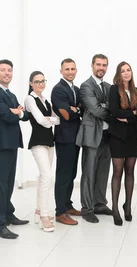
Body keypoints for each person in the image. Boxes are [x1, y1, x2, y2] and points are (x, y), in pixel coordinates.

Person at [0, 59, 30, 239]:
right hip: (2, 142)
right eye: (3, 70)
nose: (7, 73)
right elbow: (5, 116)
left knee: (9, 181)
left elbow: (24, 116)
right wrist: (14, 112)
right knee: (0, 183)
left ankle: (7, 213)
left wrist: (17, 112)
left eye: (9, 70)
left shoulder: (10, 94)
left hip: (12, 142)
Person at [76, 54, 113, 223]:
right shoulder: (86, 86)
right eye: (98, 64)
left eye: (104, 65)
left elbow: (106, 107)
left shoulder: (109, 86)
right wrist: (110, 111)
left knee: (103, 171)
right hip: (92, 135)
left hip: (107, 135)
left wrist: (103, 106)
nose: (101, 68)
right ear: (92, 66)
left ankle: (99, 204)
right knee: (89, 172)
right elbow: (95, 109)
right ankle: (87, 208)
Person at [107, 62, 137, 226]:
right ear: (118, 74)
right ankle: (115, 208)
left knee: (130, 171)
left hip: (133, 136)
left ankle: (127, 206)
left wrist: (128, 116)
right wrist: (132, 114)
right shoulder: (114, 90)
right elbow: (114, 111)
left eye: (129, 70)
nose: (126, 73)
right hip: (117, 136)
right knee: (117, 172)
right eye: (123, 71)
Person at [25, 71, 60, 232]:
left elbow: (57, 120)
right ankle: (45, 216)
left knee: (42, 177)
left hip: (49, 142)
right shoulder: (29, 99)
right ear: (31, 83)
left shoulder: (45, 100)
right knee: (47, 176)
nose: (40, 84)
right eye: (37, 81)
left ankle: (39, 210)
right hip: (38, 142)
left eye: (42, 81)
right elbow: (40, 120)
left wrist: (49, 120)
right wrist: (50, 120)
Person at [51, 58, 81, 226]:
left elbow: (80, 109)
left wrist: (76, 109)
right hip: (64, 138)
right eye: (67, 69)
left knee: (72, 173)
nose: (70, 71)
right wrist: (75, 110)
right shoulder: (58, 90)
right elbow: (66, 114)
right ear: (61, 71)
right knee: (63, 174)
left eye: (73, 69)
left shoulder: (75, 89)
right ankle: (60, 212)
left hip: (75, 137)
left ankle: (67, 205)